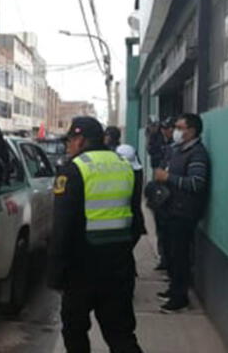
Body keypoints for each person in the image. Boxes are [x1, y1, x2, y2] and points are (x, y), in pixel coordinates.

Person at [47, 116, 144, 353]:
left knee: (75, 331)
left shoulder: (73, 169)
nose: (67, 146)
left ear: (80, 140)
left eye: (69, 140)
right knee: (121, 335)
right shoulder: (124, 165)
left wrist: (56, 274)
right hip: (119, 266)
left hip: (81, 270)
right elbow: (135, 221)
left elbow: (62, 228)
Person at [154, 113, 209, 313]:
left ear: (191, 130)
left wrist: (168, 177)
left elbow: (196, 183)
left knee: (180, 256)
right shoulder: (177, 151)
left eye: (179, 127)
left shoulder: (197, 154)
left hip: (184, 213)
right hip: (170, 209)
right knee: (171, 253)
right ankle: (173, 289)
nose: (175, 131)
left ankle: (180, 299)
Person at [149, 117, 175, 271]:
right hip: (161, 193)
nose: (166, 131)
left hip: (171, 195)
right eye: (163, 128)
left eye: (169, 128)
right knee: (161, 230)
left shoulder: (177, 148)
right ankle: (164, 259)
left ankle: (169, 263)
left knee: (170, 234)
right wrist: (152, 135)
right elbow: (153, 154)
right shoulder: (162, 143)